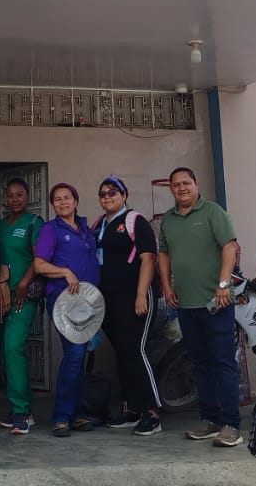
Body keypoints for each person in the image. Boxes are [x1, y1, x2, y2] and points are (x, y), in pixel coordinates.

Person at [156, 167, 243, 448]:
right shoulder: (168, 219)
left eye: (186, 183)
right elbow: (164, 253)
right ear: (170, 189)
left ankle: (231, 425)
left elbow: (229, 247)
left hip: (216, 302)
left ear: (196, 184)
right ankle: (210, 420)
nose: (181, 188)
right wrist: (167, 286)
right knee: (200, 364)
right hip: (185, 304)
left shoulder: (212, 212)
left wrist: (223, 284)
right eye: (175, 184)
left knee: (223, 363)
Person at [93, 174, 162, 436]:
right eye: (103, 193)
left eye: (113, 192)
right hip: (109, 300)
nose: (107, 197)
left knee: (135, 351)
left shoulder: (135, 221)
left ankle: (152, 412)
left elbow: (148, 259)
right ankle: (132, 409)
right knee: (122, 352)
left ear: (124, 195)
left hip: (134, 297)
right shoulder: (99, 224)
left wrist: (141, 294)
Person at [34, 182, 101, 438]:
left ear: (76, 201)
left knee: (79, 355)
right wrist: (64, 271)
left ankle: (75, 414)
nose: (63, 202)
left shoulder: (85, 228)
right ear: (53, 205)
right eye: (57, 199)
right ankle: (61, 416)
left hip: (87, 302)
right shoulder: (51, 229)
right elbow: (39, 264)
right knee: (74, 353)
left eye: (67, 197)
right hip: (63, 300)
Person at [0, 176, 44, 435]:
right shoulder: (0, 226)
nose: (14, 199)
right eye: (10, 195)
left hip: (22, 297)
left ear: (28, 197)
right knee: (7, 350)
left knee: (13, 347)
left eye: (19, 194)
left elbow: (39, 258)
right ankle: (20, 406)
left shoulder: (34, 222)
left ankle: (22, 411)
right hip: (1, 297)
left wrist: (23, 285)